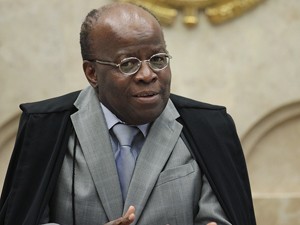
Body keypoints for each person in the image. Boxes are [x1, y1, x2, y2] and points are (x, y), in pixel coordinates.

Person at [0, 2, 256, 225]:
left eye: (157, 59)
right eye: (128, 64)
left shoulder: (209, 128)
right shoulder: (45, 127)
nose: (148, 74)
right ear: (92, 73)